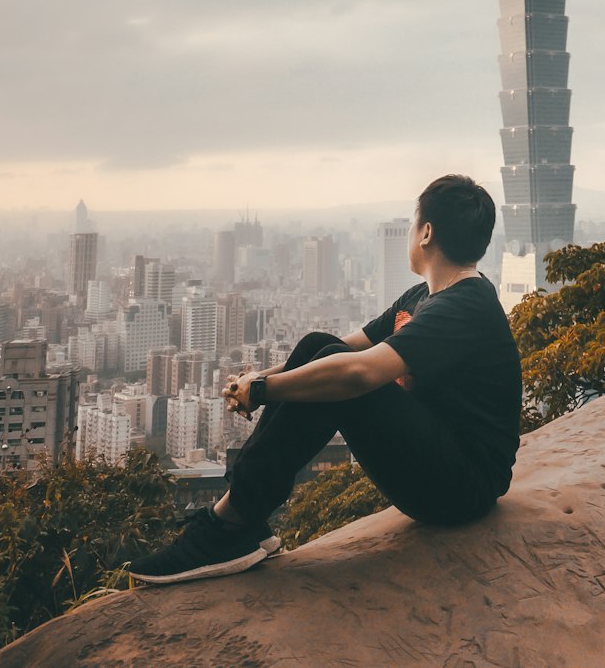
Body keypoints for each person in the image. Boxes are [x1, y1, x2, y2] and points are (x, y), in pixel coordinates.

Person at [126, 174, 521, 583]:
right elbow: (345, 346)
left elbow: (357, 372)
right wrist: (258, 376)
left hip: (464, 488)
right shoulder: (422, 297)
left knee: (340, 367)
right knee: (321, 343)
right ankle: (243, 517)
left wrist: (263, 390)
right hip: (437, 462)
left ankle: (229, 524)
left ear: (426, 232)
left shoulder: (467, 306)